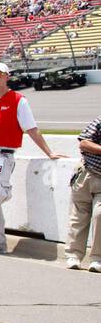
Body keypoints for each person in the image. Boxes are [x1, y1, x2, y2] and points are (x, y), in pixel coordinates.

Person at [0, 61, 62, 253]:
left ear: (7, 76)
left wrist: (49, 152)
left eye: (0, 73)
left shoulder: (19, 101)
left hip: (2, 156)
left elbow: (32, 129)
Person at [64, 113, 101, 272]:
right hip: (86, 174)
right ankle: (74, 256)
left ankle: (97, 258)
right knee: (78, 216)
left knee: (100, 215)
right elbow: (84, 143)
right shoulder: (100, 121)